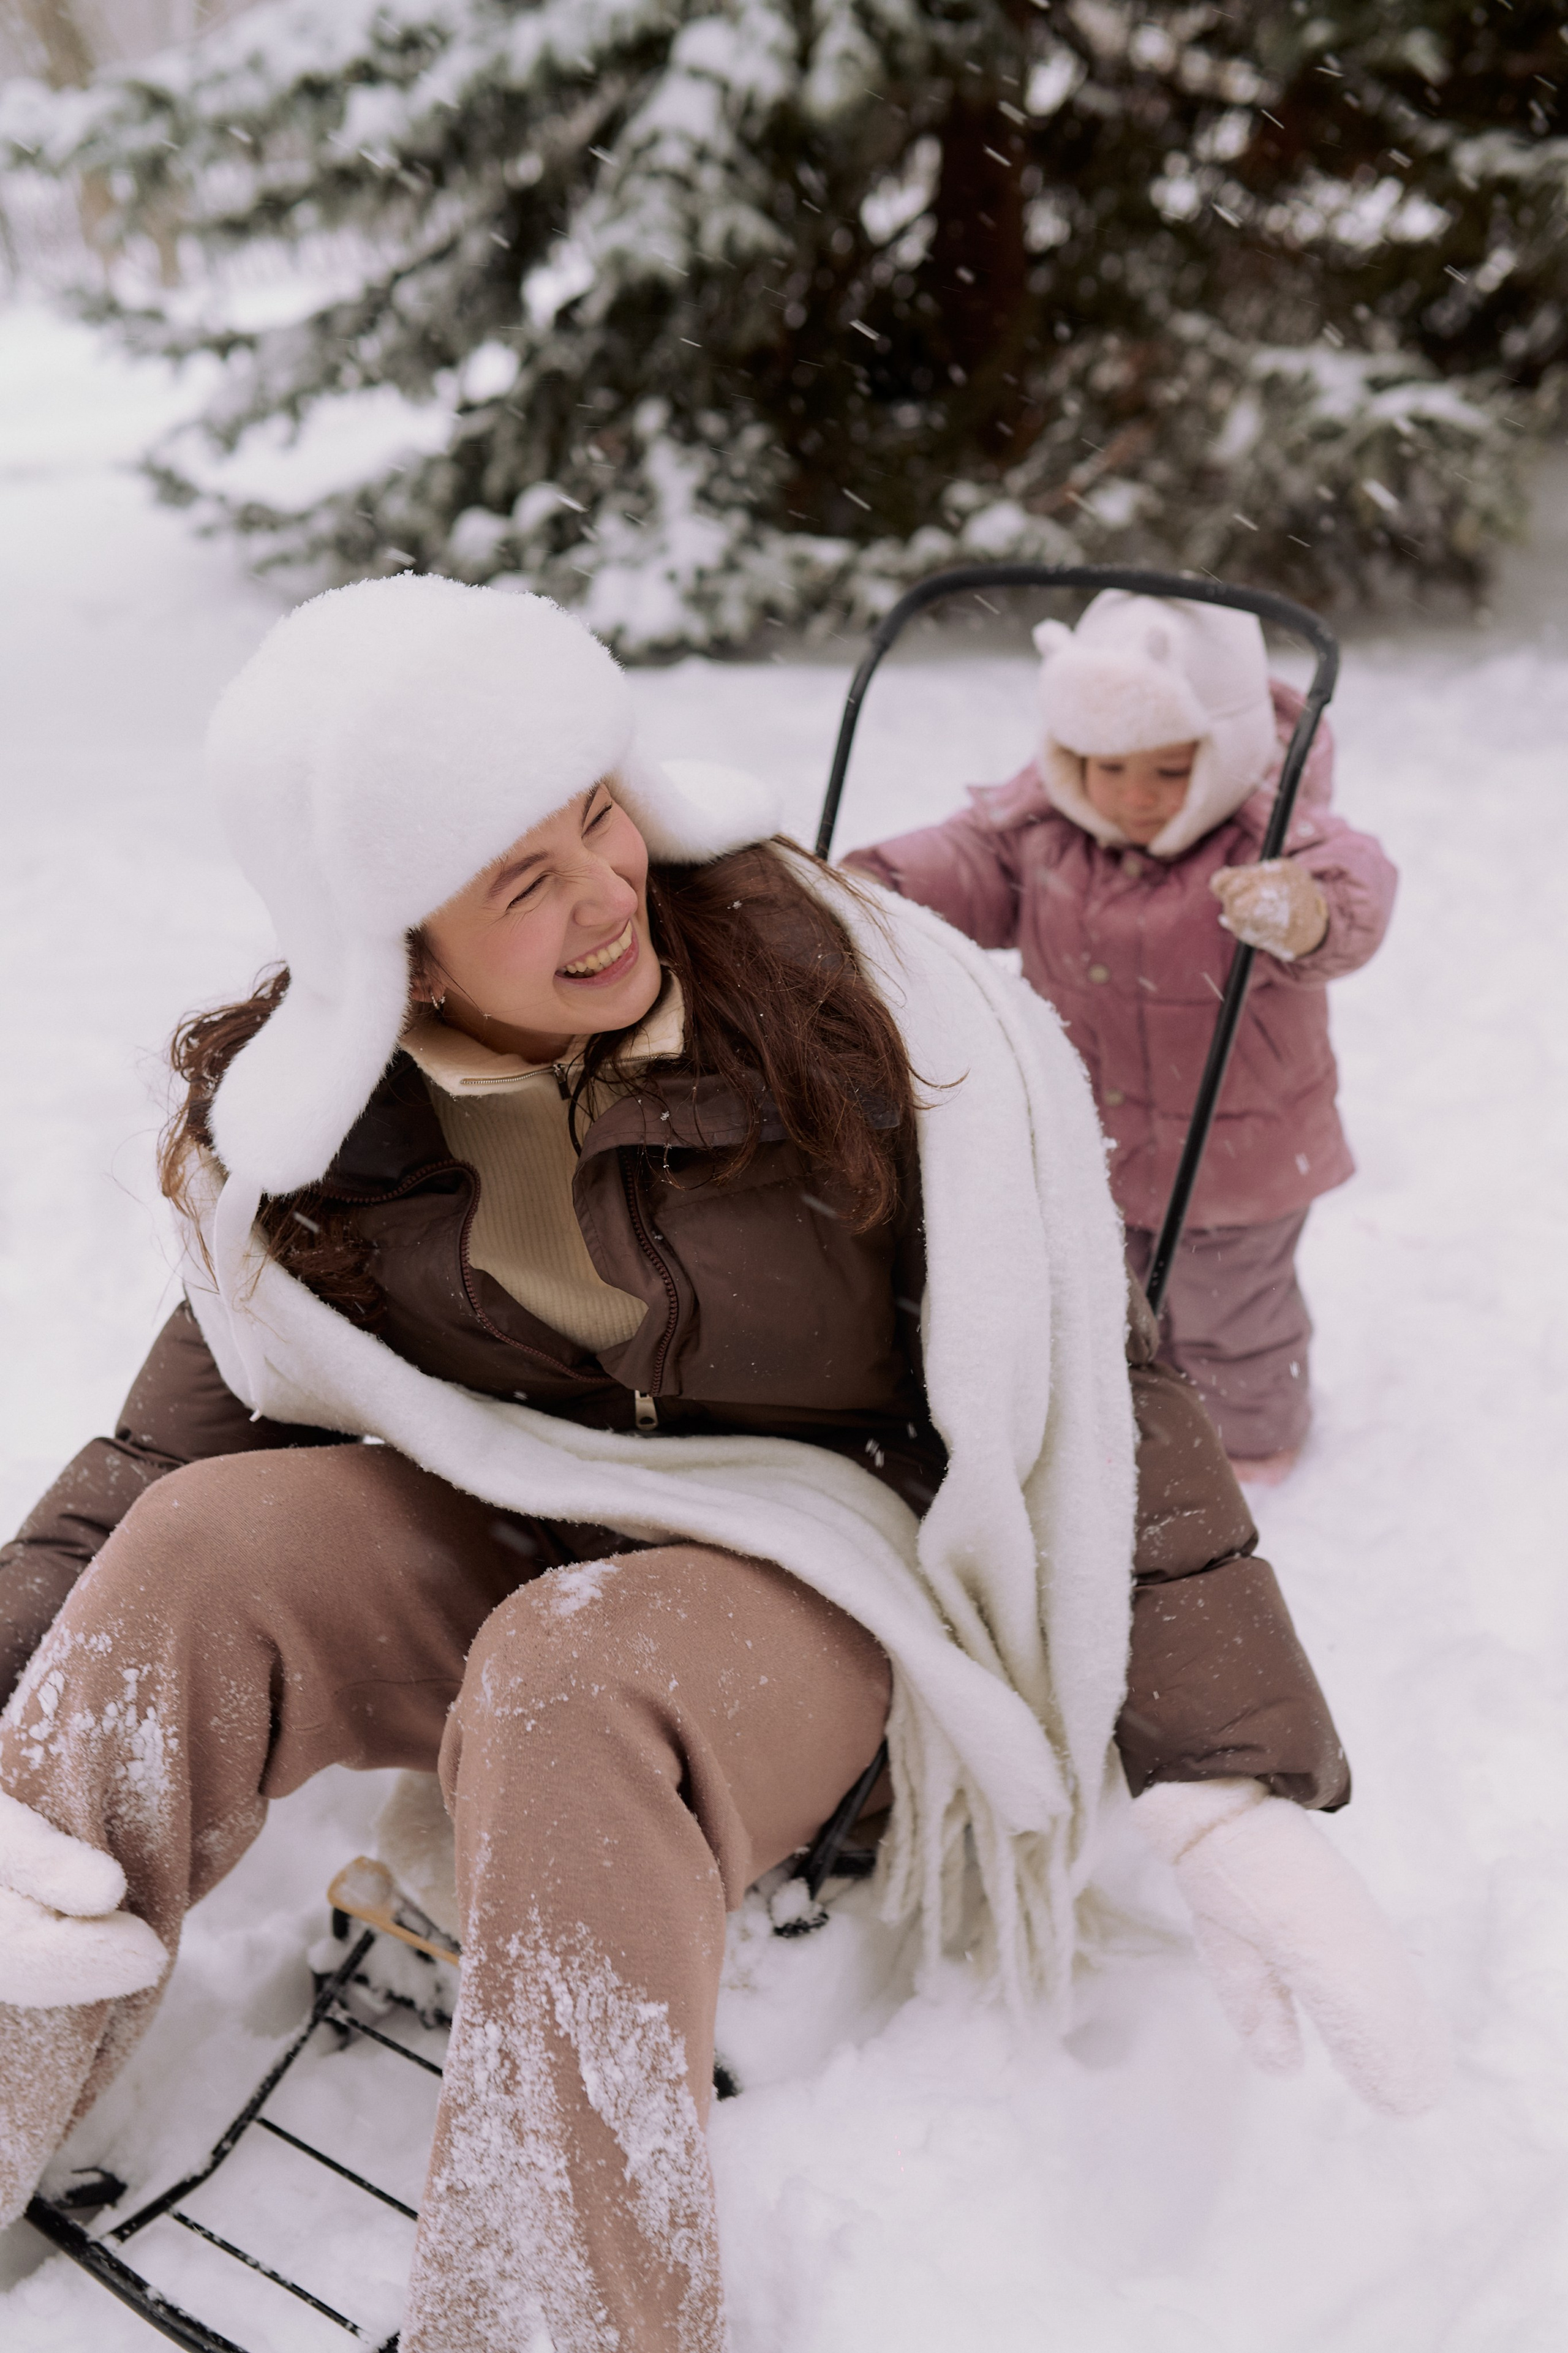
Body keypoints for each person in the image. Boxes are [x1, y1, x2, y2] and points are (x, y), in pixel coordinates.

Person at [0, 579, 1440, 2352]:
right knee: (202, 1542)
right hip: (509, 1521)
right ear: (398, 951)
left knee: (569, 1674)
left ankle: (555, 2324)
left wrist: (1231, 1781)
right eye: (520, 880)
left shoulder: (841, 1008)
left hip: (810, 1587)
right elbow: (173, 1437)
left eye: (597, 816)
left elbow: (1097, 1377)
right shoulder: (333, 1124)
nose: (609, 891)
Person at [844, 591, 1398, 1484]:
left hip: (1241, 1150)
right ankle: (1118, 1424)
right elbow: (967, 861)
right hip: (1090, 1140)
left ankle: (1252, 1443)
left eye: (1170, 771)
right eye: (1105, 767)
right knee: (1102, 1298)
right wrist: (873, 884)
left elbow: (1356, 887)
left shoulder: (1276, 836)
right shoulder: (1045, 831)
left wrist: (1304, 910)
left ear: (1226, 751)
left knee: (1232, 1313)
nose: (1133, 796)